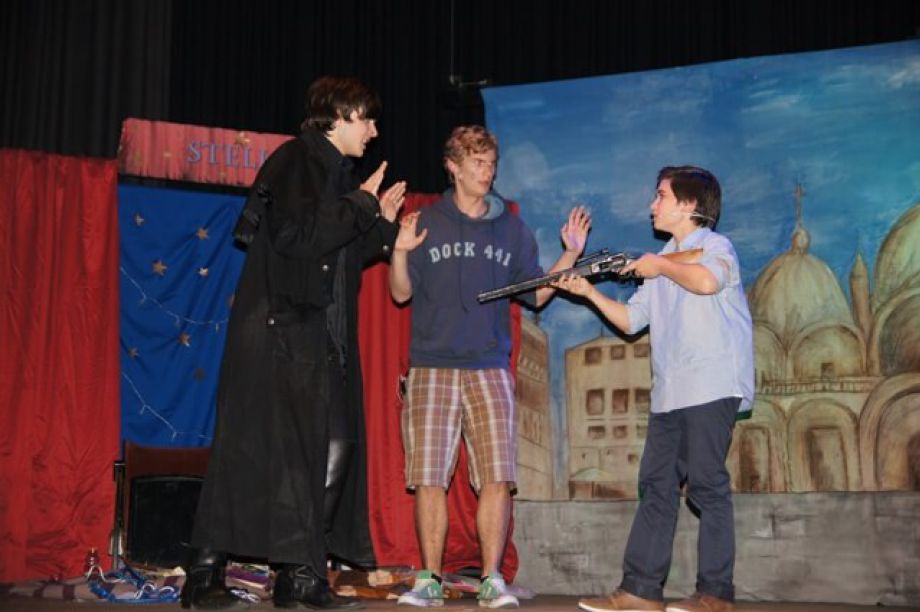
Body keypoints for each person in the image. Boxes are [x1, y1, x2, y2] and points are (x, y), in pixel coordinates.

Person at [180, 76, 406, 610]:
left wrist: (381, 226)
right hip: (279, 332)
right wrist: (361, 206)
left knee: (337, 445)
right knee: (250, 455)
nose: (374, 132)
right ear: (341, 114)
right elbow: (296, 237)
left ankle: (301, 575)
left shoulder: (338, 175)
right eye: (368, 119)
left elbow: (338, 253)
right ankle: (204, 577)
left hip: (320, 339)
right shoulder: (294, 161)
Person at [388, 125, 591, 609]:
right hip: (432, 367)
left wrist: (569, 253)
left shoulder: (511, 229)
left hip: (489, 367)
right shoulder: (426, 221)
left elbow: (537, 296)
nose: (488, 172)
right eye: (478, 163)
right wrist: (400, 250)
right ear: (453, 166)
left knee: (498, 477)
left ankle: (491, 579)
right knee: (430, 478)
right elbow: (400, 293)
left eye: (492, 164)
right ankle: (429, 580)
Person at [554, 166, 753, 612]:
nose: (652, 205)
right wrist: (588, 293)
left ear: (688, 204)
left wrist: (657, 265)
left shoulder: (716, 247)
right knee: (656, 484)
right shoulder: (660, 261)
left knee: (706, 483)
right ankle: (641, 590)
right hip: (670, 393)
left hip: (711, 383)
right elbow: (630, 321)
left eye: (660, 195)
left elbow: (707, 281)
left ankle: (715, 593)